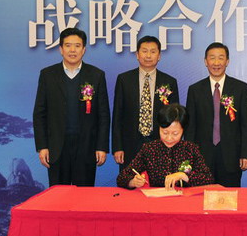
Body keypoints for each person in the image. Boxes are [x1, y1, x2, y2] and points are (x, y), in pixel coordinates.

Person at [33, 27, 110, 186]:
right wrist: (42, 146)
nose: (72, 50)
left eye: (77, 45)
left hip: (87, 147)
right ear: (61, 49)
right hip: (56, 147)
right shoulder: (48, 75)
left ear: (84, 50)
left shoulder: (96, 75)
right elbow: (39, 113)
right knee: (58, 195)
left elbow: (103, 115)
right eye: (68, 45)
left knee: (84, 195)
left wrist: (101, 147)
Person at [185, 42, 247, 187]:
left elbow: (246, 124)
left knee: (229, 197)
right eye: (212, 58)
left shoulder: (240, 88)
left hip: (231, 156)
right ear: (205, 61)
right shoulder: (195, 90)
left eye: (221, 58)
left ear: (227, 61)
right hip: (202, 157)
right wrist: (189, 156)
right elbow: (190, 127)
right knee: (201, 197)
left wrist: (246, 154)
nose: (216, 63)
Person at [111, 35, 179, 172]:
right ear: (137, 54)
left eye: (153, 51)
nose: (148, 55)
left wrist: (172, 146)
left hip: (161, 144)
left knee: (159, 183)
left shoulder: (169, 82)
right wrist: (117, 147)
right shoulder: (124, 80)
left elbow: (175, 119)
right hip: (130, 145)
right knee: (130, 182)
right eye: (144, 51)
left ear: (159, 56)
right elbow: (118, 115)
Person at [117, 104, 214, 190]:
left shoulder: (190, 149)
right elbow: (122, 177)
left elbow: (208, 179)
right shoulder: (149, 149)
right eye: (165, 132)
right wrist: (132, 182)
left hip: (184, 201)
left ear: (183, 130)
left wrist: (184, 175)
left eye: (175, 133)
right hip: (157, 201)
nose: (169, 138)